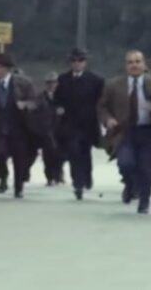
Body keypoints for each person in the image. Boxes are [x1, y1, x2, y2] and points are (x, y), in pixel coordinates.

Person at [97, 50, 151, 214]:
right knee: (126, 163)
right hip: (124, 132)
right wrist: (108, 119)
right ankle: (130, 183)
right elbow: (102, 106)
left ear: (144, 64)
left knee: (146, 169)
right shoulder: (113, 85)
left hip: (147, 131)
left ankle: (144, 201)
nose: (134, 65)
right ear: (126, 66)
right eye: (130, 62)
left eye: (138, 61)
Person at [0, 53, 37, 198]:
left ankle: (18, 187)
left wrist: (25, 105)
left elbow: (35, 102)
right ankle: (3, 177)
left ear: (6, 68)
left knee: (19, 157)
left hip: (19, 127)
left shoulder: (23, 83)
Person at [53, 48, 104, 200]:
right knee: (73, 152)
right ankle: (78, 183)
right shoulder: (63, 79)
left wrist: (102, 119)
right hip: (70, 124)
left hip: (88, 124)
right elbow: (57, 99)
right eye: (74, 61)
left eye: (80, 60)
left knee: (85, 153)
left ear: (85, 62)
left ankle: (86, 176)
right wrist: (58, 108)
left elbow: (102, 102)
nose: (77, 63)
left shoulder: (96, 80)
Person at [35, 71, 65, 186]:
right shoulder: (40, 97)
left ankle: (58, 175)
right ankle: (50, 177)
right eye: (49, 82)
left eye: (54, 82)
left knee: (60, 154)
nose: (51, 85)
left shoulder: (63, 96)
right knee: (48, 155)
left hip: (60, 129)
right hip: (46, 129)